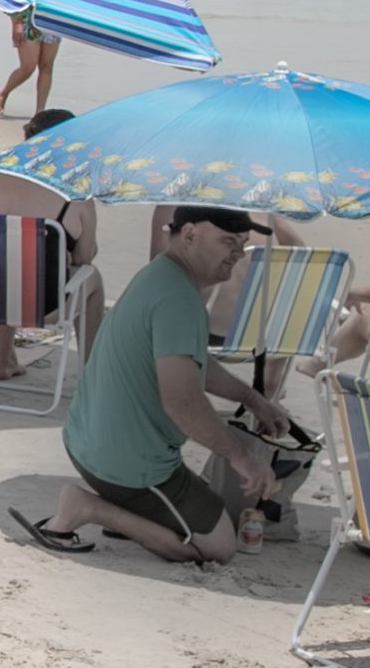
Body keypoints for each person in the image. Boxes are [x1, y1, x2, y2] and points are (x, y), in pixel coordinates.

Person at [18, 207, 290, 563]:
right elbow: (182, 402)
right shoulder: (180, 300)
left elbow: (195, 365)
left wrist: (254, 399)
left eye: (242, 242)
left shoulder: (160, 275)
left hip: (86, 441)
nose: (238, 252)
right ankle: (88, 508)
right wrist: (242, 458)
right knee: (220, 545)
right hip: (126, 465)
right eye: (228, 241)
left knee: (205, 503)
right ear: (190, 235)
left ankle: (120, 506)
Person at [0, 109, 105, 380]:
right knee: (93, 279)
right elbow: (84, 256)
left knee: (3, 254)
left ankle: (5, 358)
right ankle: (92, 372)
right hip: (43, 306)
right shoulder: (74, 189)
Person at [0, 8, 59, 118]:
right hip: (27, 19)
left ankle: (40, 110)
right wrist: (16, 23)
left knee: (47, 67)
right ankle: (4, 93)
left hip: (52, 19)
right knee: (27, 68)